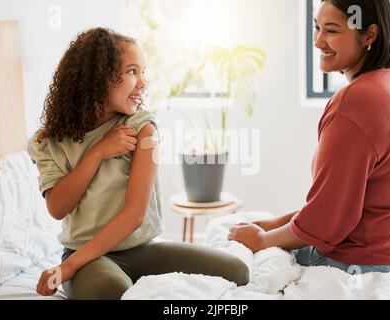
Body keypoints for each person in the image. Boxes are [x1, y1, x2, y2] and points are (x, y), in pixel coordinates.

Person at [29, 27, 249, 299]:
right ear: (98, 78)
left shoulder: (143, 129)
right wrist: (98, 152)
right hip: (86, 257)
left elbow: (134, 215)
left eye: (142, 72)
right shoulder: (48, 141)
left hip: (140, 250)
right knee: (112, 291)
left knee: (238, 271)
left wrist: (67, 268)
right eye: (132, 71)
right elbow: (58, 207)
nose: (142, 83)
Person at [229, 0, 390, 277]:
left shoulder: (354, 101)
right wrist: (275, 223)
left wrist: (263, 241)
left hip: (376, 260)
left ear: (369, 35)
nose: (318, 42)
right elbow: (358, 200)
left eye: (332, 31)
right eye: (317, 28)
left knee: (236, 254)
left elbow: (327, 223)